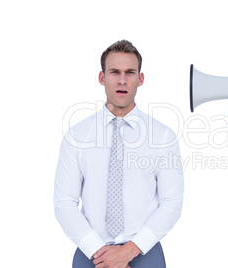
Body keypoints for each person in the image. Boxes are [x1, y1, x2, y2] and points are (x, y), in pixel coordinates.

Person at [54, 40, 184, 268]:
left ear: (140, 79)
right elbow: (64, 202)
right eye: (114, 72)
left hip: (145, 253)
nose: (122, 80)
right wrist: (102, 253)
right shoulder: (77, 136)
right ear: (102, 78)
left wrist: (128, 252)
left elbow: (171, 202)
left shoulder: (162, 136)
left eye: (130, 72)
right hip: (90, 254)